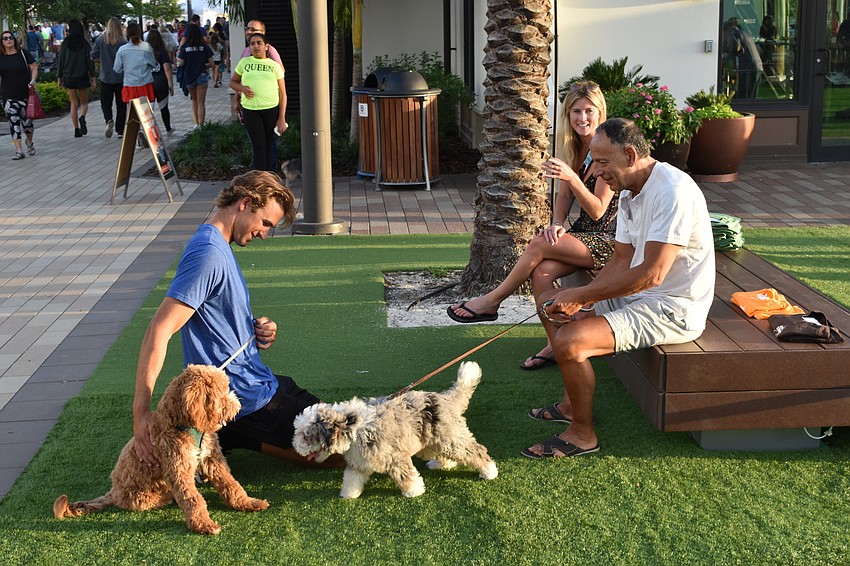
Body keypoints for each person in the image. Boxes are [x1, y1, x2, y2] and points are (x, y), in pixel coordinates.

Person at [521, 118, 715, 458]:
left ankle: (582, 435)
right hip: (639, 295)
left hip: (674, 309)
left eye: (602, 162)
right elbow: (621, 261)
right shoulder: (629, 192)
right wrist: (574, 301)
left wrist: (581, 296)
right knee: (550, 305)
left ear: (629, 154)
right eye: (593, 163)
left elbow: (653, 274)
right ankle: (570, 406)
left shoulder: (673, 191)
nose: (595, 173)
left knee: (570, 341)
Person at [132, 170, 341, 469]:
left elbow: (214, 313)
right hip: (243, 397)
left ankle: (229, 435)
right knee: (344, 451)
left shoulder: (218, 245)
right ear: (244, 203)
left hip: (258, 380)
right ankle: (232, 430)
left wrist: (255, 329)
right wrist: (141, 415)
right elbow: (160, 328)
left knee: (343, 424)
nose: (265, 233)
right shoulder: (208, 254)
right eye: (265, 223)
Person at [447, 81, 617, 371]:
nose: (582, 118)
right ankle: (555, 345)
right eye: (576, 111)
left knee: (538, 244)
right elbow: (563, 195)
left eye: (589, 111)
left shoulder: (607, 150)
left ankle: (491, 301)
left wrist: (573, 178)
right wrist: (556, 224)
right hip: (584, 235)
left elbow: (599, 211)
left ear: (601, 113)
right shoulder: (575, 147)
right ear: (567, 114)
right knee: (542, 271)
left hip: (610, 240)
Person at [230, 33, 288, 171]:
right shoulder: (244, 63)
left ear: (266, 46)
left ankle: (271, 177)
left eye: (259, 43)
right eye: (252, 44)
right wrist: (242, 88)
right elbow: (233, 82)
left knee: (269, 144)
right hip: (251, 111)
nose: (255, 46)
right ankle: (260, 178)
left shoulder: (274, 65)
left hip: (271, 110)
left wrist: (281, 118)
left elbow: (283, 93)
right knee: (258, 145)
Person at [0, 30, 39, 159]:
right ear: (2, 42)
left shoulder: (23, 53)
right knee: (13, 122)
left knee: (27, 124)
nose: (8, 40)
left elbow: (34, 67)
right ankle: (19, 150)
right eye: (5, 38)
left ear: (14, 39)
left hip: (25, 94)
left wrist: (33, 80)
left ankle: (29, 142)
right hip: (8, 95)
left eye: (10, 37)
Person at [57, 19, 95, 138]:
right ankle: (82, 116)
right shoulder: (85, 44)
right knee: (84, 102)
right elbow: (89, 62)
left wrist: (59, 77)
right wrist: (93, 77)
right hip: (82, 76)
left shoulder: (65, 44)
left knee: (73, 103)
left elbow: (61, 61)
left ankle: (76, 129)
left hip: (69, 76)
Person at [91, 17, 127, 138]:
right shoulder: (123, 41)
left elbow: (93, 55)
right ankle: (120, 130)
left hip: (105, 75)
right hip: (121, 77)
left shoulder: (100, 40)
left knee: (105, 102)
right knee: (121, 104)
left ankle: (108, 120)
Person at [177, 24, 213, 130]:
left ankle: (196, 123)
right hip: (202, 75)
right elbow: (212, 63)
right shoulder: (204, 47)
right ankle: (201, 125)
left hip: (189, 76)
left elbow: (181, 63)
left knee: (194, 100)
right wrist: (203, 65)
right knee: (201, 102)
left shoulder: (185, 47)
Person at [114, 21, 157, 106]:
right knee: (147, 115)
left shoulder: (122, 49)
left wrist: (127, 69)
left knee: (133, 115)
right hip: (145, 84)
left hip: (129, 85)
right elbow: (153, 64)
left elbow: (117, 68)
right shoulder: (146, 46)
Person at [146, 28, 175, 133]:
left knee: (149, 108)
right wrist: (171, 85)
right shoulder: (162, 51)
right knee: (163, 106)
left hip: (148, 82)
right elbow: (167, 69)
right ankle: (168, 127)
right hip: (161, 81)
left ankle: (150, 130)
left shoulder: (145, 51)